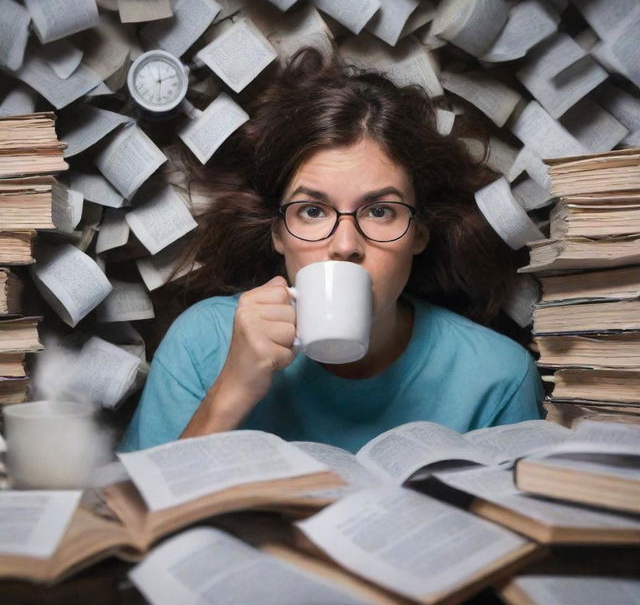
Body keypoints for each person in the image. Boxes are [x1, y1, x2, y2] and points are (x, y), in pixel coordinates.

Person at [120, 48, 543, 453]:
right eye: (312, 211)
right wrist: (230, 392)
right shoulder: (202, 342)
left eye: (380, 211)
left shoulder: (499, 377)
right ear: (278, 234)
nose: (345, 246)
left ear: (418, 233)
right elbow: (136, 521)